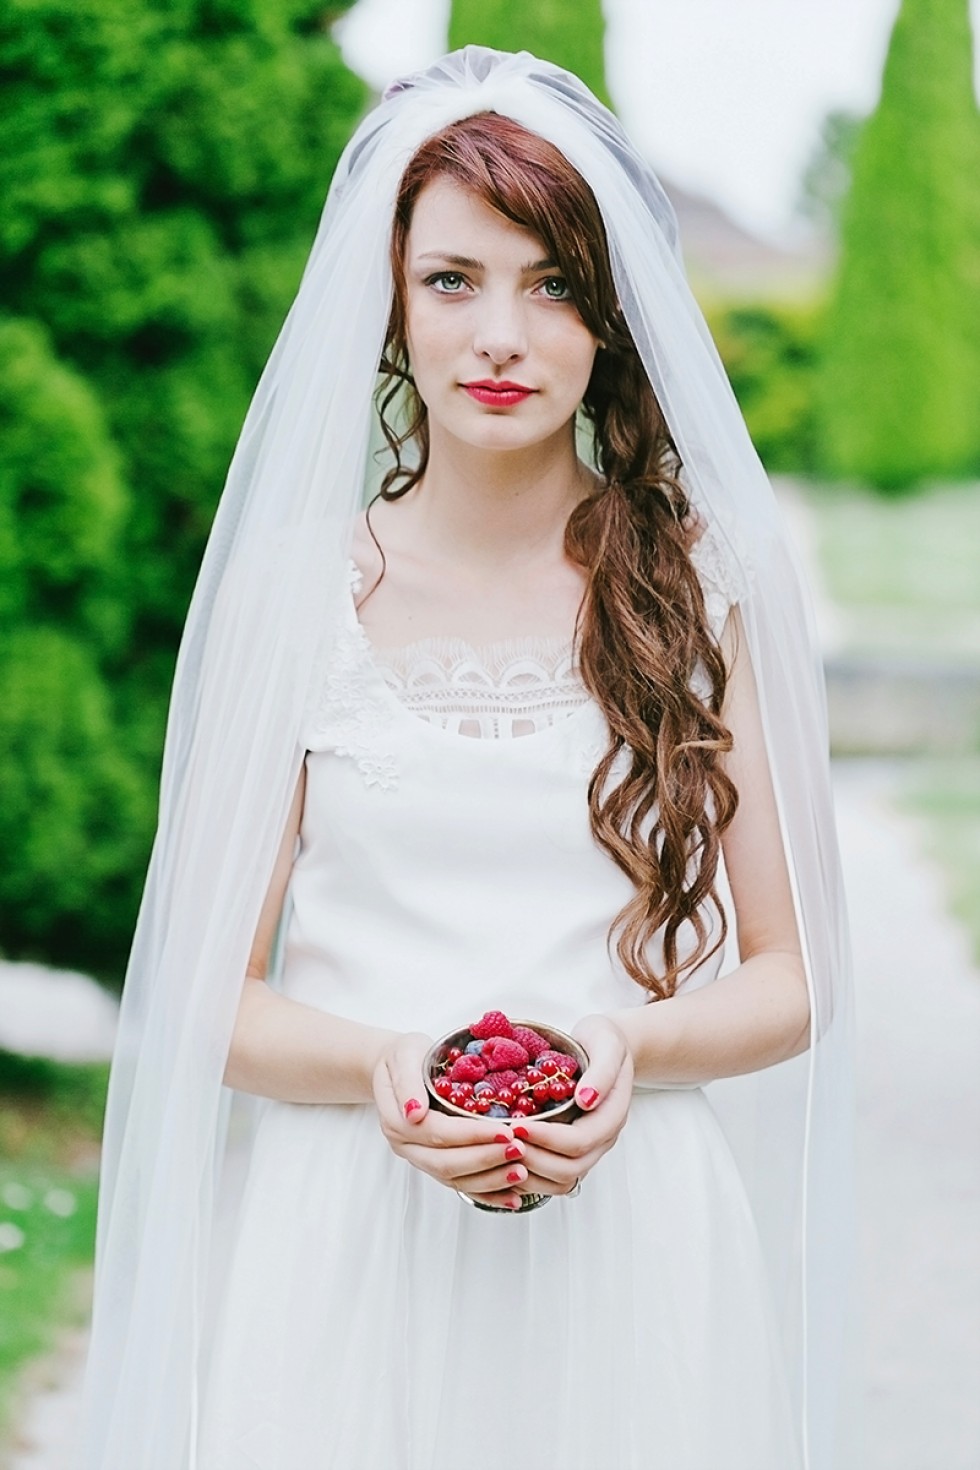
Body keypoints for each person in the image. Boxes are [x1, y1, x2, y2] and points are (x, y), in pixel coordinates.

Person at [77, 47, 854, 1470]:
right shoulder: (292, 591)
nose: (501, 333)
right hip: (345, 1236)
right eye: (452, 280)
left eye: (553, 283)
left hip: (638, 1238)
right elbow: (204, 994)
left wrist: (621, 1046)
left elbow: (794, 977)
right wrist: (402, 1072)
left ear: (616, 318)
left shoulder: (717, 583)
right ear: (386, 300)